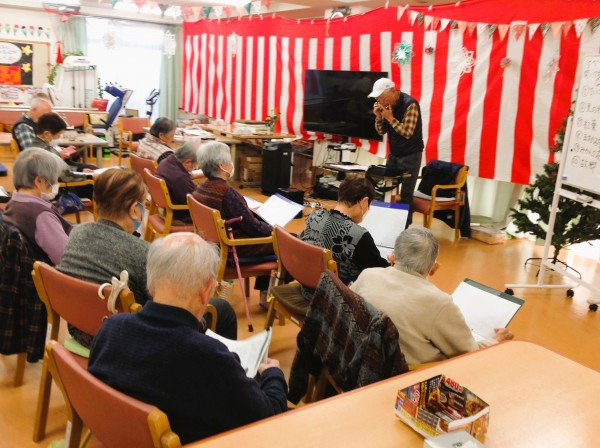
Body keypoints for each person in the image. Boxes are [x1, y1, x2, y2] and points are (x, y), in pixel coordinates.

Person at [88, 232, 288, 444]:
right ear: (206, 290)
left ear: (150, 283)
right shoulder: (209, 357)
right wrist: (273, 374)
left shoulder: (111, 329)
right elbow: (268, 419)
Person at [58, 168, 237, 348]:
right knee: (222, 309)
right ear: (134, 209)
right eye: (144, 204)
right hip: (125, 342)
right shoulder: (142, 253)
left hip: (79, 329)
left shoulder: (77, 233)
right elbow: (171, 311)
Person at [351, 227, 514, 366]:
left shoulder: (367, 275)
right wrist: (496, 341)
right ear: (434, 268)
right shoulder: (439, 303)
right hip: (406, 378)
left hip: (359, 364)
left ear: (392, 258)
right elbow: (469, 354)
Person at [192, 141, 274, 294]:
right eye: (229, 160)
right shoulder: (227, 193)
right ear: (222, 165)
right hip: (233, 249)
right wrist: (275, 230)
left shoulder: (201, 188)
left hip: (213, 246)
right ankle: (269, 295)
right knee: (288, 243)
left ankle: (265, 292)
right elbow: (253, 227)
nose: (231, 164)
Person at [301, 176, 388, 286]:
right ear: (364, 202)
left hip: (307, 285)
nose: (368, 209)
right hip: (333, 294)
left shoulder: (314, 216)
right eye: (369, 206)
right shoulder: (359, 236)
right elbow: (382, 272)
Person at [369, 77, 423, 226]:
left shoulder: (410, 104)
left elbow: (407, 132)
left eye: (382, 97)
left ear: (393, 91)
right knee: (384, 188)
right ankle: (383, 222)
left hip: (411, 155)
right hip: (394, 154)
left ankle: (404, 227)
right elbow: (381, 131)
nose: (380, 101)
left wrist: (390, 118)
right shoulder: (386, 105)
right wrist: (379, 117)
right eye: (378, 98)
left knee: (406, 194)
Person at [3, 148, 72, 265]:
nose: (56, 184)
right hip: (50, 272)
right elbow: (66, 259)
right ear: (39, 181)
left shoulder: (13, 202)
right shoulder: (41, 216)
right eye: (54, 180)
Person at [155, 139, 203, 223]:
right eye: (195, 166)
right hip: (180, 216)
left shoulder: (166, 161)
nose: (194, 169)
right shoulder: (180, 178)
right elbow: (195, 202)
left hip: (169, 208)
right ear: (188, 162)